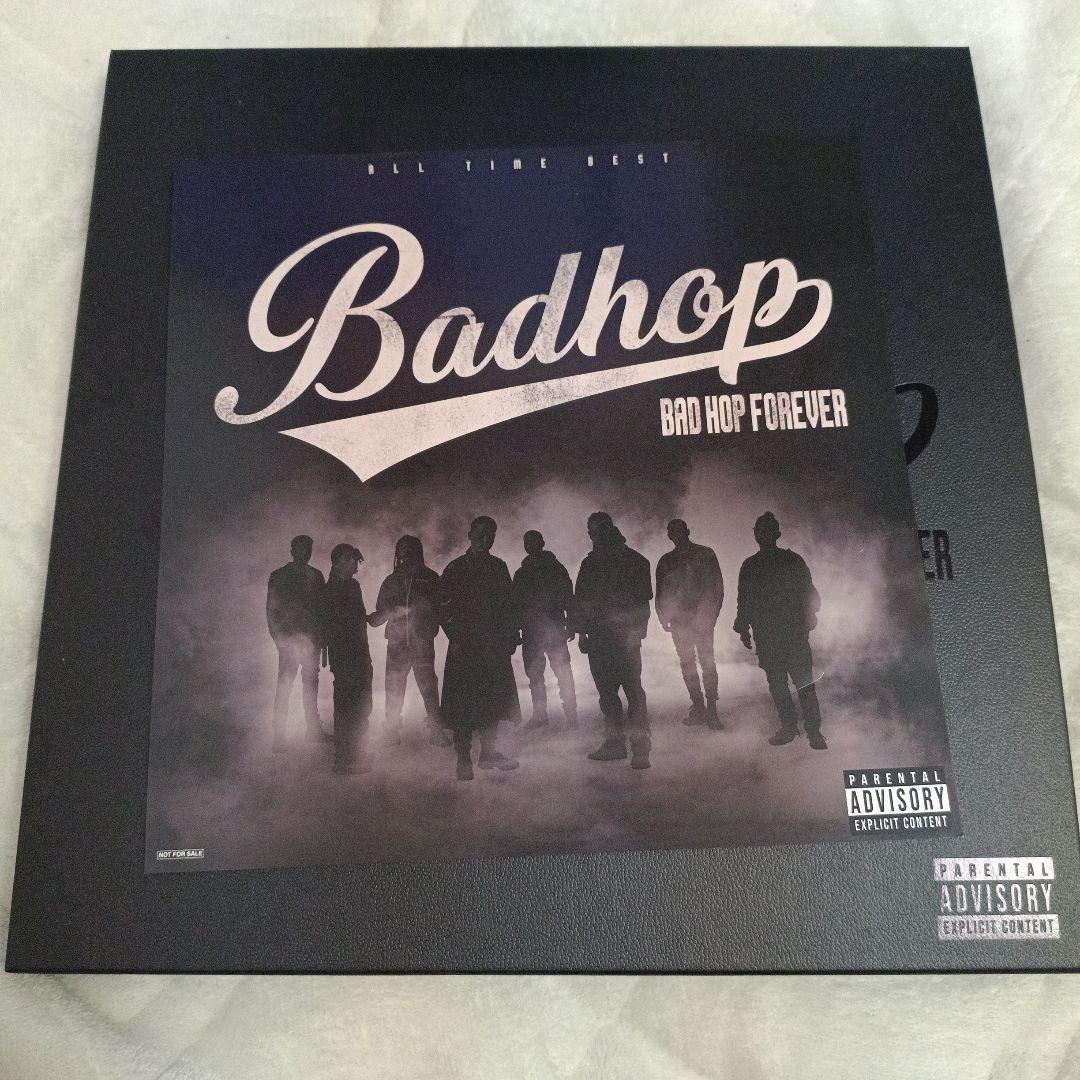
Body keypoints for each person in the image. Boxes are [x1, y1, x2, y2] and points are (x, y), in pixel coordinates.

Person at [733, 512, 826, 749]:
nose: (762, 535)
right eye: (759, 531)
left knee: (801, 683)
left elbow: (810, 595)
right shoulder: (754, 565)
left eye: (766, 531)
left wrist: (808, 617)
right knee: (780, 684)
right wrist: (743, 627)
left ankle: (811, 730)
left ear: (776, 534)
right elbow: (744, 601)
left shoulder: (785, 561)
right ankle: (793, 727)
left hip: (789, 634)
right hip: (771, 636)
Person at [438, 516, 522, 780]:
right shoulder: (455, 568)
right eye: (480, 533)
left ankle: (488, 753)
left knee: (492, 700)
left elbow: (509, 604)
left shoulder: (498, 567)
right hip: (465, 647)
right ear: (470, 535)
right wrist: (456, 637)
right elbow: (443, 607)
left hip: (493, 646)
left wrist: (510, 637)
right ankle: (463, 759)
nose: (485, 539)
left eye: (490, 535)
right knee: (463, 703)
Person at [572, 512, 653, 769]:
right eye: (591, 532)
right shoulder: (590, 564)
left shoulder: (634, 561)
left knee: (633, 692)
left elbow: (642, 603)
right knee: (607, 695)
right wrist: (582, 633)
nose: (593, 536)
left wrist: (637, 632)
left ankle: (640, 748)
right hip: (599, 638)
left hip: (625, 636)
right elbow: (581, 600)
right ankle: (615, 744)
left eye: (597, 531)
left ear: (609, 529)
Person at [369, 535, 444, 743]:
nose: (406, 552)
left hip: (422, 641)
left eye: (410, 548)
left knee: (428, 685)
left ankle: (436, 729)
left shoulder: (430, 577)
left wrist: (430, 629)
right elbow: (381, 609)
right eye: (402, 548)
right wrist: (385, 614)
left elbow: (439, 608)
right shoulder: (391, 580)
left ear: (418, 551)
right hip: (397, 642)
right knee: (394, 686)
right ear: (397, 552)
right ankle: (392, 729)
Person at [655, 519, 725, 729]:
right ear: (670, 535)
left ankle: (710, 709)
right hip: (682, 621)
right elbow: (661, 592)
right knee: (689, 664)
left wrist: (711, 615)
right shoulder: (668, 561)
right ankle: (701, 707)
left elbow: (716, 588)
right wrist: (663, 615)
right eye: (673, 532)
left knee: (705, 663)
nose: (677, 536)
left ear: (687, 531)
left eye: (679, 531)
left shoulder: (703, 555)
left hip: (700, 619)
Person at [266, 534, 327, 751]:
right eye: (301, 548)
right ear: (292, 551)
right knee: (286, 686)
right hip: (290, 641)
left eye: (307, 549)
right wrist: (279, 639)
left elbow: (322, 611)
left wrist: (321, 639)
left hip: (310, 640)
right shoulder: (280, 576)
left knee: (308, 686)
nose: (305, 552)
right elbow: (271, 611)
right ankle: (279, 735)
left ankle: (311, 730)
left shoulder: (316, 576)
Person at [512, 530, 578, 731]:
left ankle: (570, 715)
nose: (530, 546)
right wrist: (516, 629)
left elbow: (568, 596)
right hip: (533, 630)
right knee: (536, 674)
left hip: (552, 628)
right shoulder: (523, 573)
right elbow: (515, 604)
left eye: (533, 542)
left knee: (562, 672)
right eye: (527, 542)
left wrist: (571, 623)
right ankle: (541, 714)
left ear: (541, 543)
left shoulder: (554, 569)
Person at [323, 543, 374, 773]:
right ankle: (344, 760)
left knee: (359, 704)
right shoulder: (333, 589)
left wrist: (368, 619)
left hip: (358, 653)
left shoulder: (353, 586)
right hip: (346, 656)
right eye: (349, 558)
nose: (354, 562)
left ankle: (352, 753)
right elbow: (337, 625)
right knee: (347, 706)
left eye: (355, 558)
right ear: (337, 563)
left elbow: (356, 619)